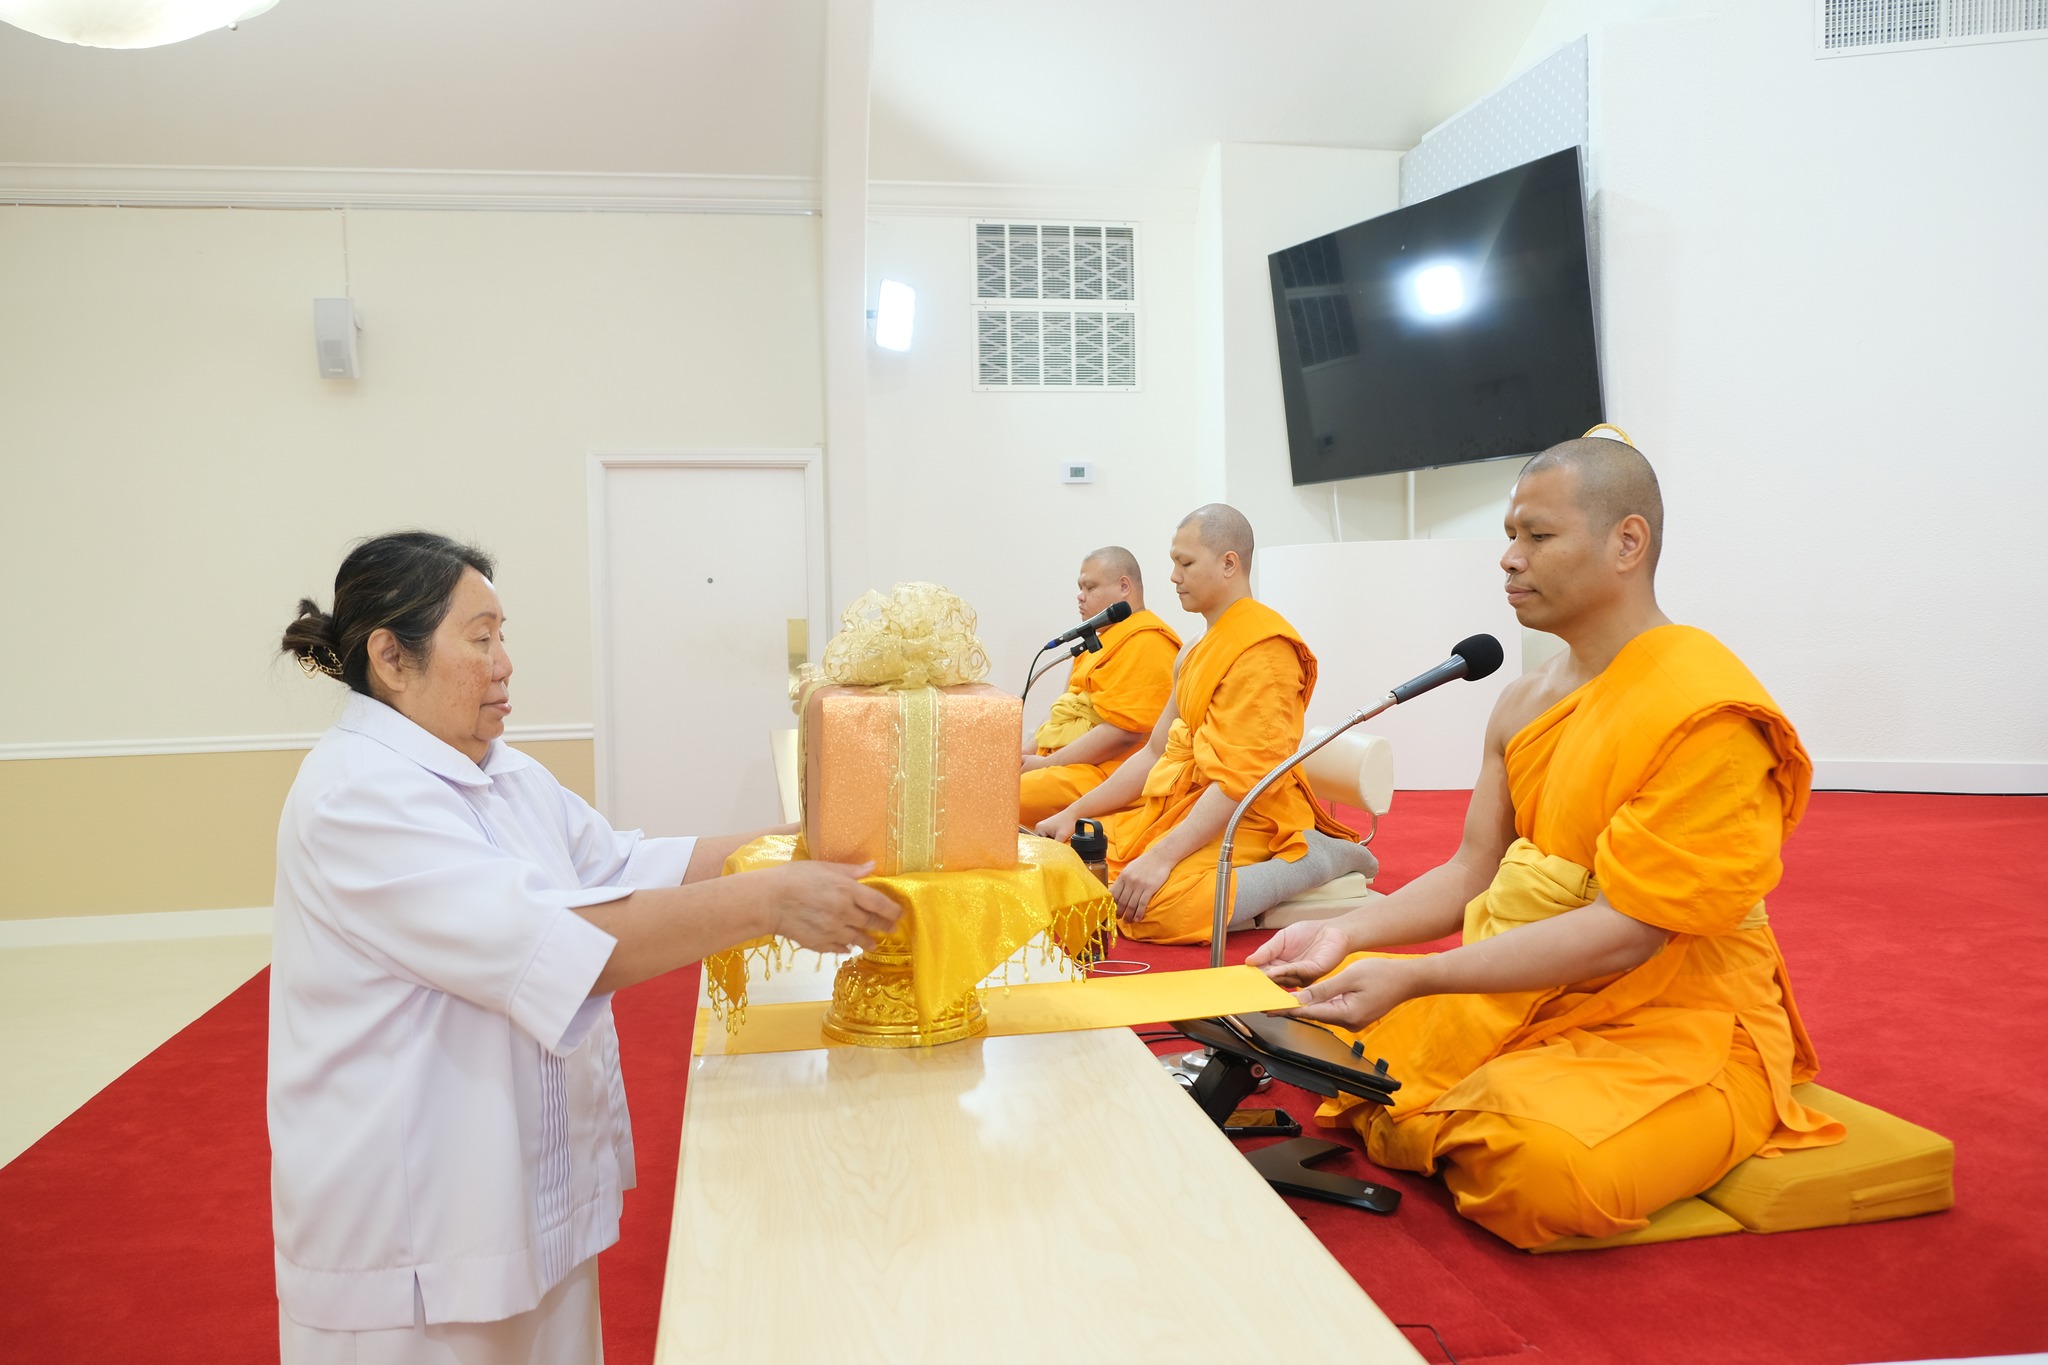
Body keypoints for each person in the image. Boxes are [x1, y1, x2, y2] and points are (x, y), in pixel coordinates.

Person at [269, 532, 900, 1363]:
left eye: (503, 636)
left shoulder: (500, 770)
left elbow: (625, 867)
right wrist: (770, 900)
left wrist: (799, 843)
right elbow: (561, 946)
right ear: (391, 656)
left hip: (522, 1198)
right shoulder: (357, 796)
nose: (505, 664)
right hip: (416, 1238)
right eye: (480, 639)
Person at [1250, 437, 1845, 1249]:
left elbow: (1631, 930)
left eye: (1537, 535)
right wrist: (1345, 932)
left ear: (1627, 542)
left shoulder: (1704, 711)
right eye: (1509, 535)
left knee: (1540, 1166)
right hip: (1528, 979)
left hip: (1672, 1017)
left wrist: (1421, 975)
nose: (1508, 558)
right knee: (1328, 1031)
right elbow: (1472, 868)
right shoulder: (1523, 701)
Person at [1038, 505, 1374, 943]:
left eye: (1186, 563)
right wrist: (1073, 813)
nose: (1173, 577)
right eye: (1173, 563)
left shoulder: (1264, 650)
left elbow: (1240, 782)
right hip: (1190, 802)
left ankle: (1317, 858)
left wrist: (1161, 858)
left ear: (1229, 563)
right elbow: (1155, 753)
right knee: (1083, 865)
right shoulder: (1195, 648)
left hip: (1252, 812)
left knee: (1154, 907)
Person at [1019, 546, 1181, 827]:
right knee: (989, 779)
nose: (1080, 596)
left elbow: (1122, 733)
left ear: (1124, 586)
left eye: (1090, 587)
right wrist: (1025, 754)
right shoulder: (1094, 641)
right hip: (1065, 763)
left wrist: (1045, 765)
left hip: (1107, 773)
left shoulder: (1148, 642)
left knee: (1004, 797)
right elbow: (1063, 712)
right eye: (1080, 588)